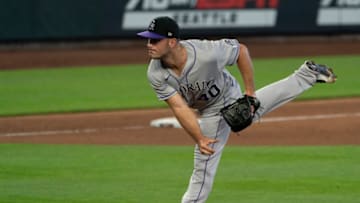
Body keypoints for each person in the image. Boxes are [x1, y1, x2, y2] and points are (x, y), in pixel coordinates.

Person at [137, 16, 336, 203]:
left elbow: (241, 50)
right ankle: (307, 75)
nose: (149, 45)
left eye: (154, 41)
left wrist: (249, 93)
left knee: (204, 159)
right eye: (148, 40)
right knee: (246, 117)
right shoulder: (155, 73)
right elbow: (179, 106)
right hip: (207, 110)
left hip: (226, 93)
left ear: (171, 42)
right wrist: (199, 138)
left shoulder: (205, 52)